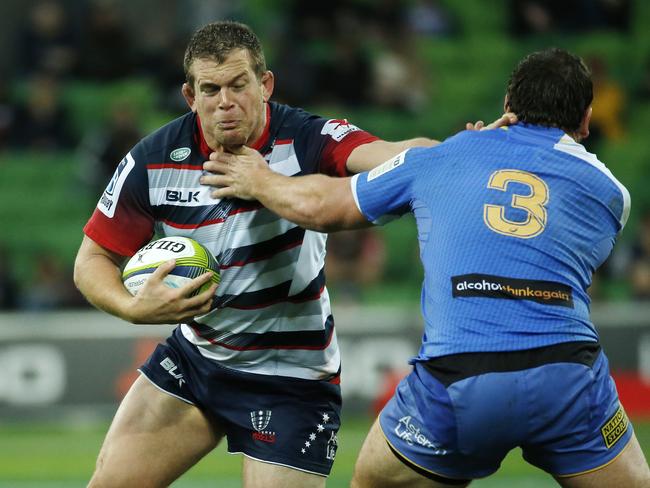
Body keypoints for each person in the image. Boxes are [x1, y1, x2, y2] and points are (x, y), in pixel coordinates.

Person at [73, 20, 509, 487]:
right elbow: (91, 261)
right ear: (189, 96)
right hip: (197, 361)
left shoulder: (308, 138)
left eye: (239, 85)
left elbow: (394, 154)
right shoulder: (152, 160)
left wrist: (457, 154)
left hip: (292, 378)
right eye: (210, 89)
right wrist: (131, 307)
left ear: (265, 85)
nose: (225, 101)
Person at [206, 48, 650, 487]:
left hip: (459, 380)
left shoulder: (440, 159)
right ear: (587, 119)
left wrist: (259, 180)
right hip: (568, 377)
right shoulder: (611, 194)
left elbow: (324, 207)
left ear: (507, 107)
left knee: (374, 479)